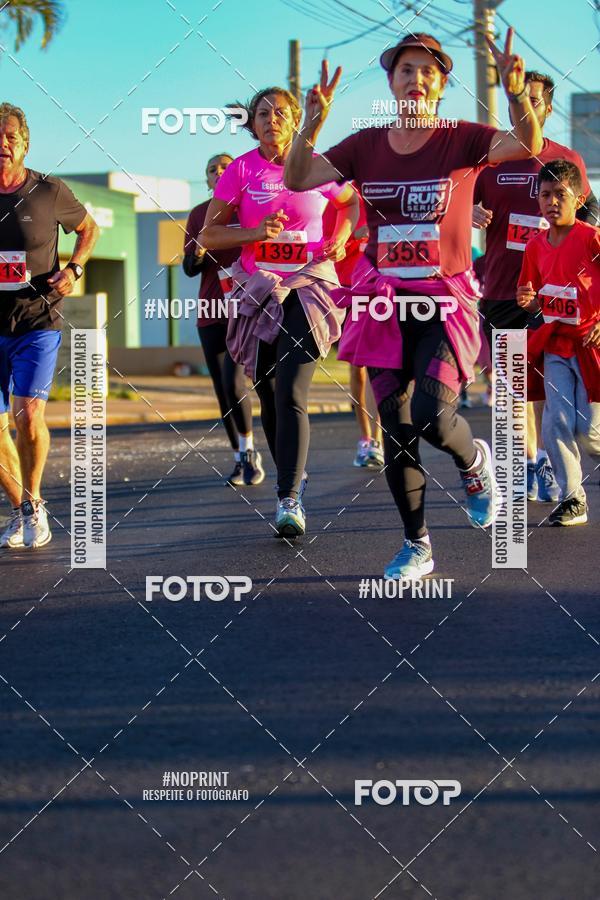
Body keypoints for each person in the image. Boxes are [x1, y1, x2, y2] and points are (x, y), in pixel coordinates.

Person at [285, 30, 544, 579]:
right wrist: (313, 120)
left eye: (428, 71)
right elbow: (298, 176)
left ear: (441, 84)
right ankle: (417, 544)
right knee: (397, 427)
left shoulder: (463, 138)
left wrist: (517, 94)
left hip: (443, 299)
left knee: (430, 414)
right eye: (406, 70)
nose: (416, 79)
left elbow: (528, 145)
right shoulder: (366, 144)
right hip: (383, 302)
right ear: (391, 81)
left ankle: (475, 464)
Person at [201, 87, 359, 537]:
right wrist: (252, 232)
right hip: (259, 288)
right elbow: (209, 237)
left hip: (308, 284)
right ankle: (292, 473)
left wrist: (342, 235)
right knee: (267, 391)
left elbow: (350, 203)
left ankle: (288, 496)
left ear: (296, 120)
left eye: (283, 113)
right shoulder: (240, 170)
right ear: (252, 124)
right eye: (264, 113)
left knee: (291, 388)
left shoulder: (315, 165)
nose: (273, 119)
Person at [473, 71, 598, 503]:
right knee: (512, 387)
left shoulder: (567, 160)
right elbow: (454, 204)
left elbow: (590, 222)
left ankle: (546, 460)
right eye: (515, 100)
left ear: (545, 107)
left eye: (531, 99)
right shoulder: (490, 160)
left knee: (547, 384)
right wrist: (469, 211)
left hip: (552, 297)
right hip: (502, 290)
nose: (522, 107)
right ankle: (530, 463)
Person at [0, 102, 99, 550]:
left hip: (37, 320)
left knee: (27, 413)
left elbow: (89, 228)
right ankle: (25, 508)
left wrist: (75, 270)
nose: (2, 144)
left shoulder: (48, 191)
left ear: (25, 144)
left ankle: (33, 504)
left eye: (10, 137)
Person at [517, 159, 600, 526]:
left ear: (579, 198)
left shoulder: (591, 238)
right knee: (555, 422)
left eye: (561, 195)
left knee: (591, 432)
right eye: (545, 195)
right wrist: (529, 300)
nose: (552, 202)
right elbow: (533, 293)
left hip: (592, 345)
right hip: (556, 344)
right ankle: (572, 499)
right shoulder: (535, 246)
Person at [182, 153, 263, 487]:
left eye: (225, 167)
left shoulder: (250, 207)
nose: (218, 172)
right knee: (222, 389)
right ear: (207, 181)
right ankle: (240, 456)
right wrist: (199, 249)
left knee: (235, 382)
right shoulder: (200, 214)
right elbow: (189, 269)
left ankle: (250, 453)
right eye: (211, 168)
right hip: (212, 310)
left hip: (245, 308)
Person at [322, 192, 383, 467]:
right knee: (358, 369)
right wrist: (352, 238)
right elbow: (326, 246)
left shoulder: (385, 194)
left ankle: (378, 441)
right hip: (348, 290)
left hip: (381, 291)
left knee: (378, 367)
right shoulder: (339, 202)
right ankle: (366, 438)